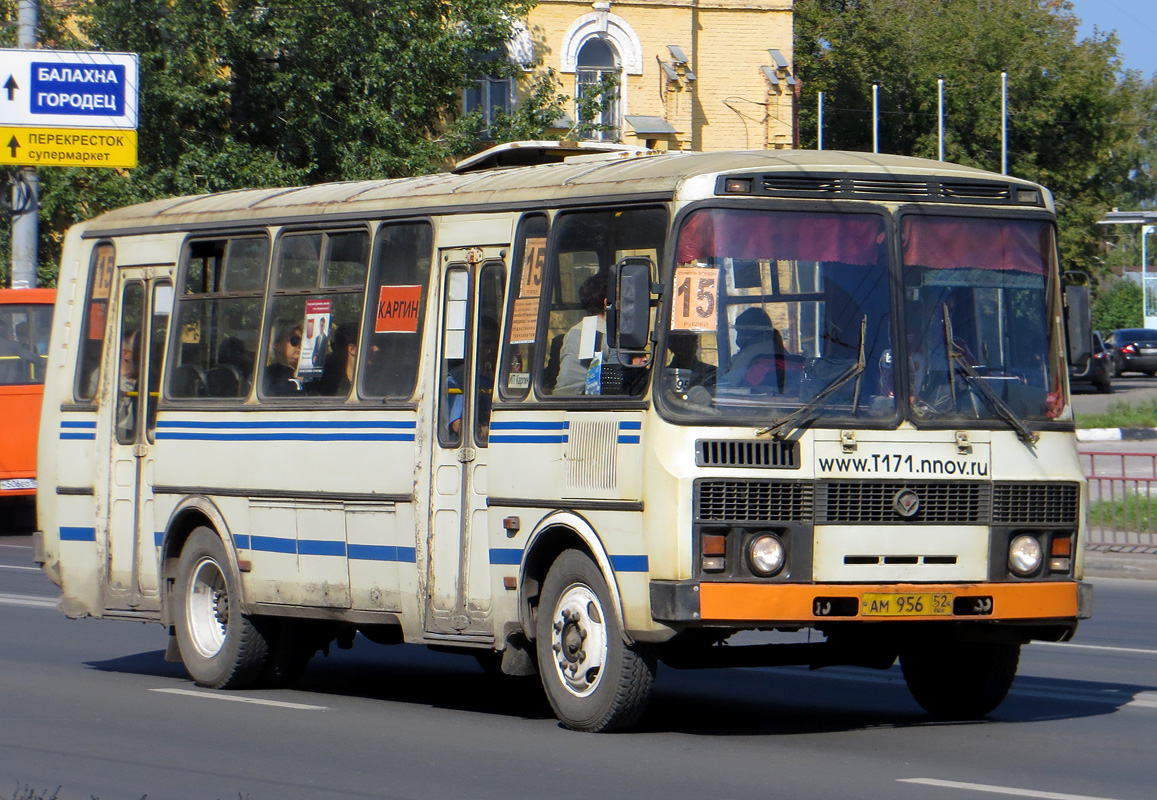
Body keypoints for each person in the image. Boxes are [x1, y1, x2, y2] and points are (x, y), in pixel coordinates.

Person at [718, 307, 785, 391]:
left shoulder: (747, 355)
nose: (738, 337)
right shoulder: (780, 350)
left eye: (739, 331)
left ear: (748, 332)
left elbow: (726, 384)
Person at [264, 320, 302, 396]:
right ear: (277, 345)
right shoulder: (268, 376)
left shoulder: (312, 375)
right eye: (294, 340)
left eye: (302, 341)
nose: (300, 345)